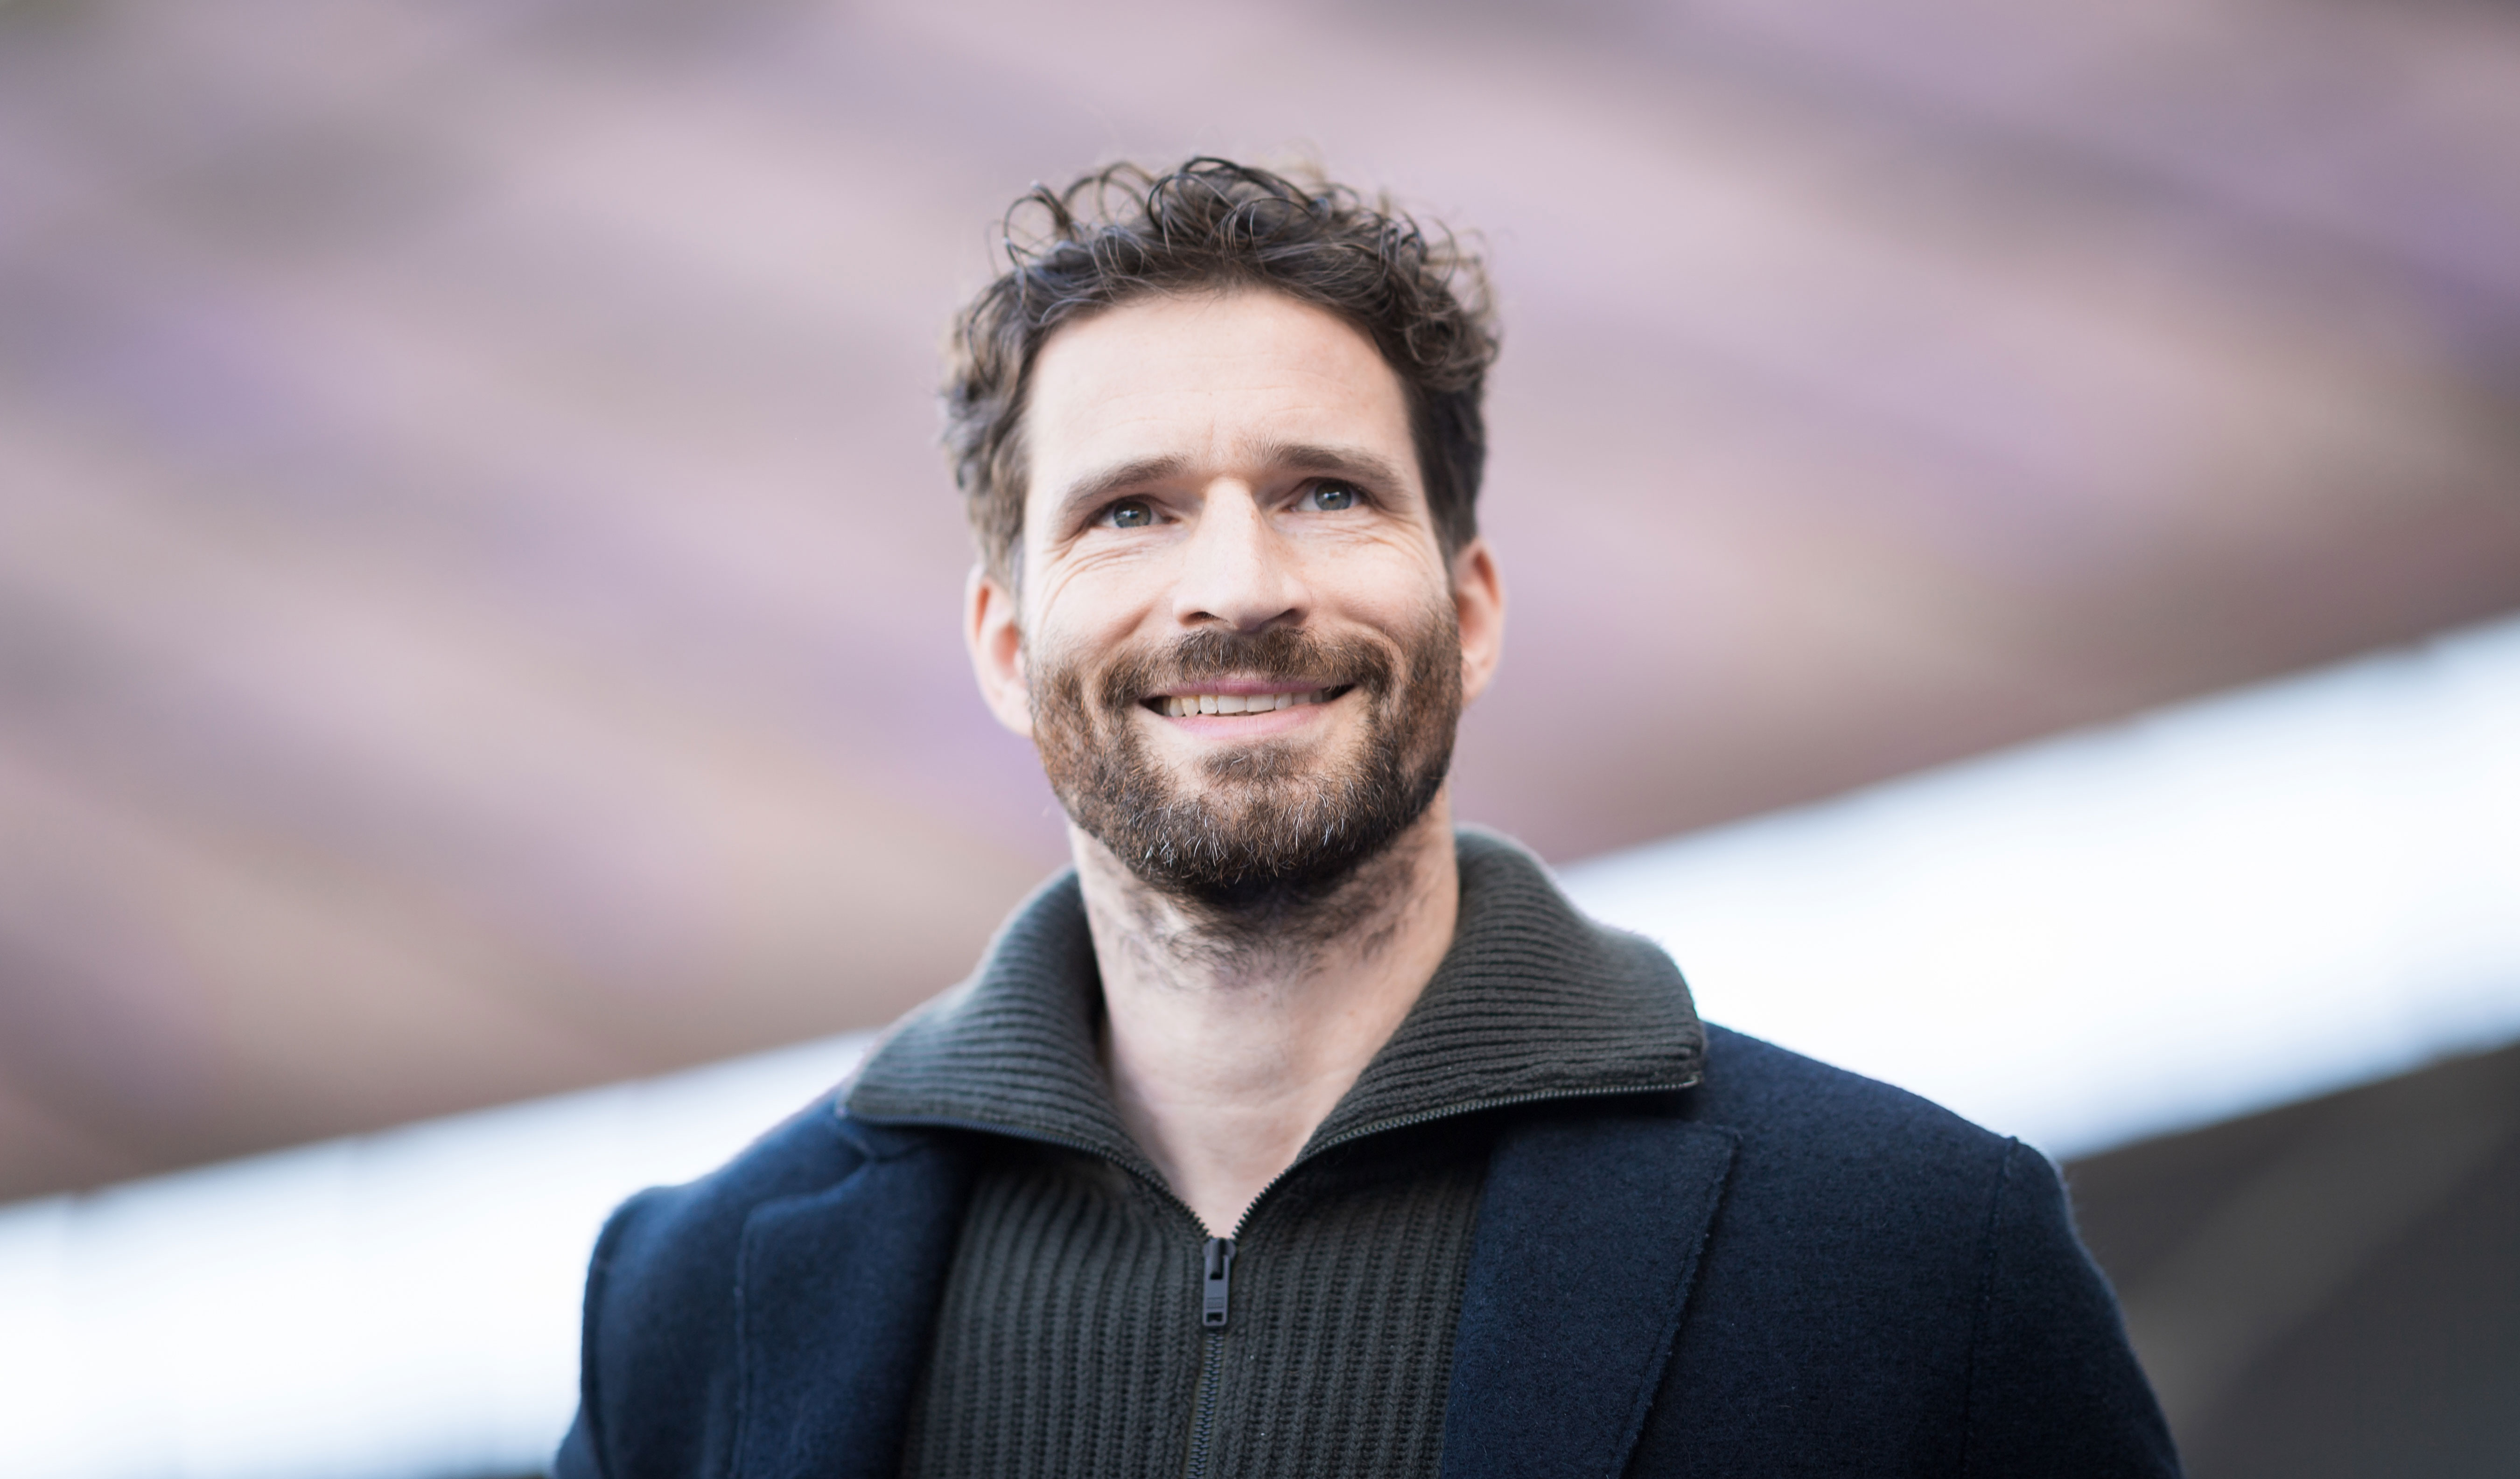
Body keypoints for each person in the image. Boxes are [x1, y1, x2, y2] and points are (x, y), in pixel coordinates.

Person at [554, 159, 2180, 1479]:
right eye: (1133, 512)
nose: (1240, 586)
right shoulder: (696, 1302)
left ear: (1468, 607)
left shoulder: (1907, 1251)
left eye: (1326, 491)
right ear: (1003, 643)